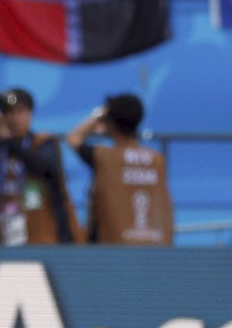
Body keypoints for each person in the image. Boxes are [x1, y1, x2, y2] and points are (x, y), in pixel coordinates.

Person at [0, 87, 83, 246]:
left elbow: (43, 167)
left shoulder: (44, 143)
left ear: (30, 114)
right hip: (7, 238)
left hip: (50, 239)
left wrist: (7, 139)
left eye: (20, 112)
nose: (15, 118)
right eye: (9, 113)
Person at [66, 93, 174, 245]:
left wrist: (99, 114)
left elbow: (73, 137)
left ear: (110, 123)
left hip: (113, 249)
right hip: (154, 247)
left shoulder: (103, 156)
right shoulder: (157, 160)